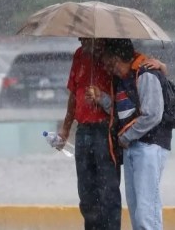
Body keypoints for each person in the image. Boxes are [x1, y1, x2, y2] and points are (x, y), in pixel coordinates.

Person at [92, 38, 171, 230]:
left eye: (111, 63)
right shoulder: (124, 80)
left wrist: (126, 137)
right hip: (132, 147)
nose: (109, 69)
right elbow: (123, 113)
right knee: (136, 208)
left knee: (146, 210)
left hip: (148, 146)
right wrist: (101, 98)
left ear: (120, 58)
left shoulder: (146, 75)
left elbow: (153, 114)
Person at [58, 38, 122, 230]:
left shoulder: (113, 56)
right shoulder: (79, 55)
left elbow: (124, 99)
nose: (80, 39)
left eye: (85, 36)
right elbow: (73, 94)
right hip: (83, 131)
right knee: (86, 195)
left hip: (105, 131)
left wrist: (101, 96)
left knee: (108, 194)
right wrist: (66, 129)